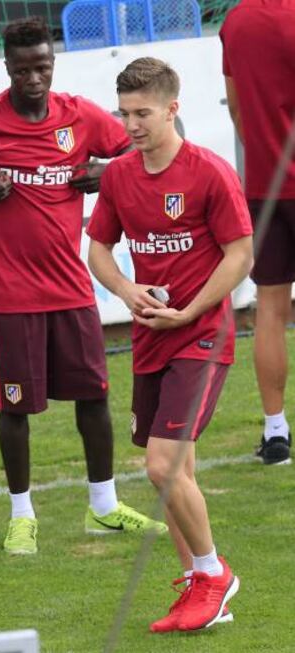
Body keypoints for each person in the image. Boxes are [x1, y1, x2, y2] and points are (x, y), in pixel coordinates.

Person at [0, 17, 167, 555]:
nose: (33, 78)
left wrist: (106, 173)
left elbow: (136, 147)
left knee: (93, 397)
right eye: (23, 69)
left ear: (52, 63)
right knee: (16, 408)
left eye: (42, 66)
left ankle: (104, 506)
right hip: (9, 295)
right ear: (7, 68)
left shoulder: (78, 116)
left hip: (70, 288)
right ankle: (22, 515)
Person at [87, 57, 253, 632]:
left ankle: (213, 575)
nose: (131, 125)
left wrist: (190, 309)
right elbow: (99, 251)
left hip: (203, 335)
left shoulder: (208, 172)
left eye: (143, 113)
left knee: (162, 466)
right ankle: (199, 592)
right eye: (124, 113)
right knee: (178, 470)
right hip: (149, 338)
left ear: (172, 108)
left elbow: (240, 255)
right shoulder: (118, 176)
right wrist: (129, 290)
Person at [220, 0, 295, 465]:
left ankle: (276, 432)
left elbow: (238, 112)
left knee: (270, 307)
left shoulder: (236, 21)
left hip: (267, 185)